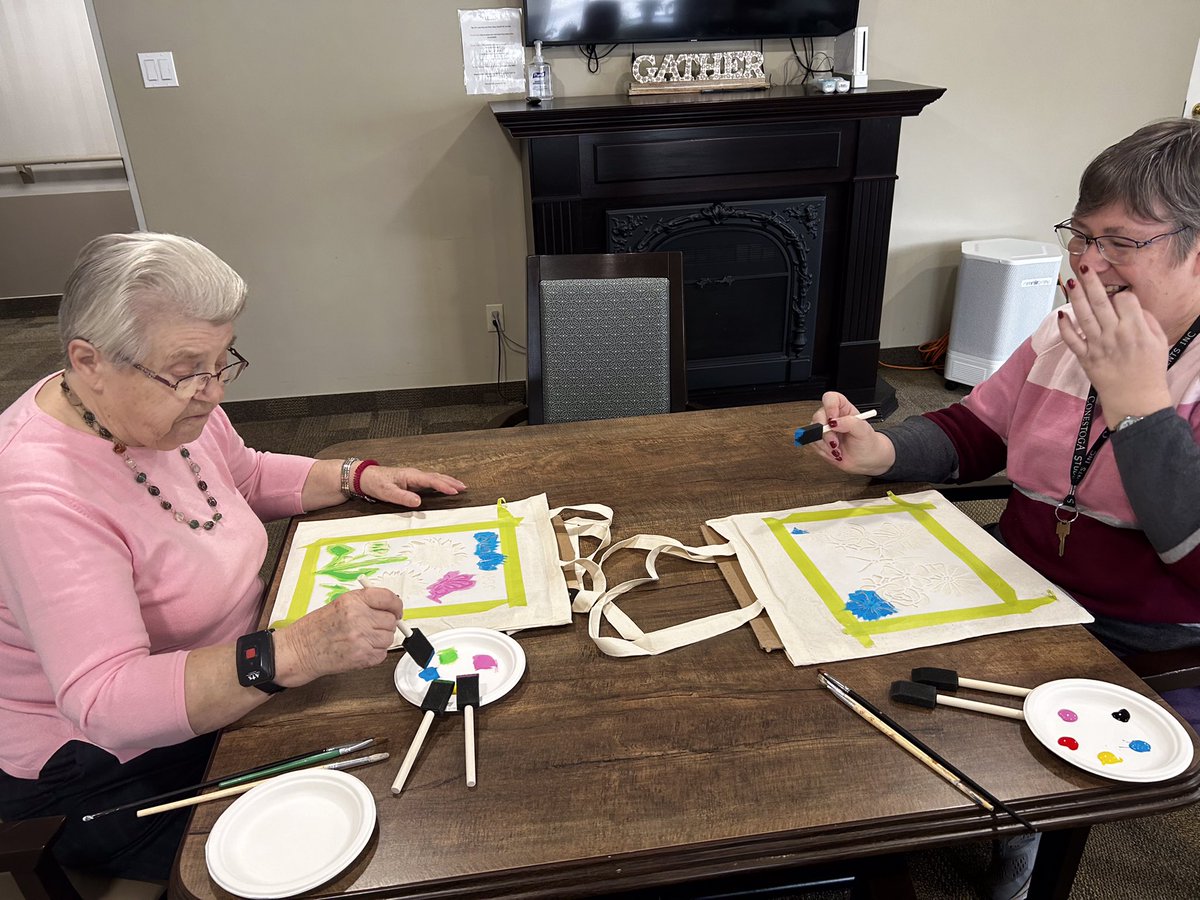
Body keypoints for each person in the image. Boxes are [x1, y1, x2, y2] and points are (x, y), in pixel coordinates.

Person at [809, 117, 1200, 900]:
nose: (1088, 264)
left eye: (1122, 242)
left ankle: (1016, 839)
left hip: (1144, 638)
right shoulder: (1065, 333)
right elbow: (973, 430)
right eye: (1080, 236)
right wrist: (881, 451)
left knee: (952, 720)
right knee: (840, 656)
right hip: (1013, 584)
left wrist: (1139, 408)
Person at [0, 232, 467, 882]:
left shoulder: (166, 409)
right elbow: (105, 700)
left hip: (237, 681)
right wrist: (293, 652)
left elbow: (242, 477)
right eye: (189, 369)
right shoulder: (36, 493)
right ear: (89, 361)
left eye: (224, 362)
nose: (213, 391)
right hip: (104, 772)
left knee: (421, 746)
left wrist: (355, 475)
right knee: (362, 835)